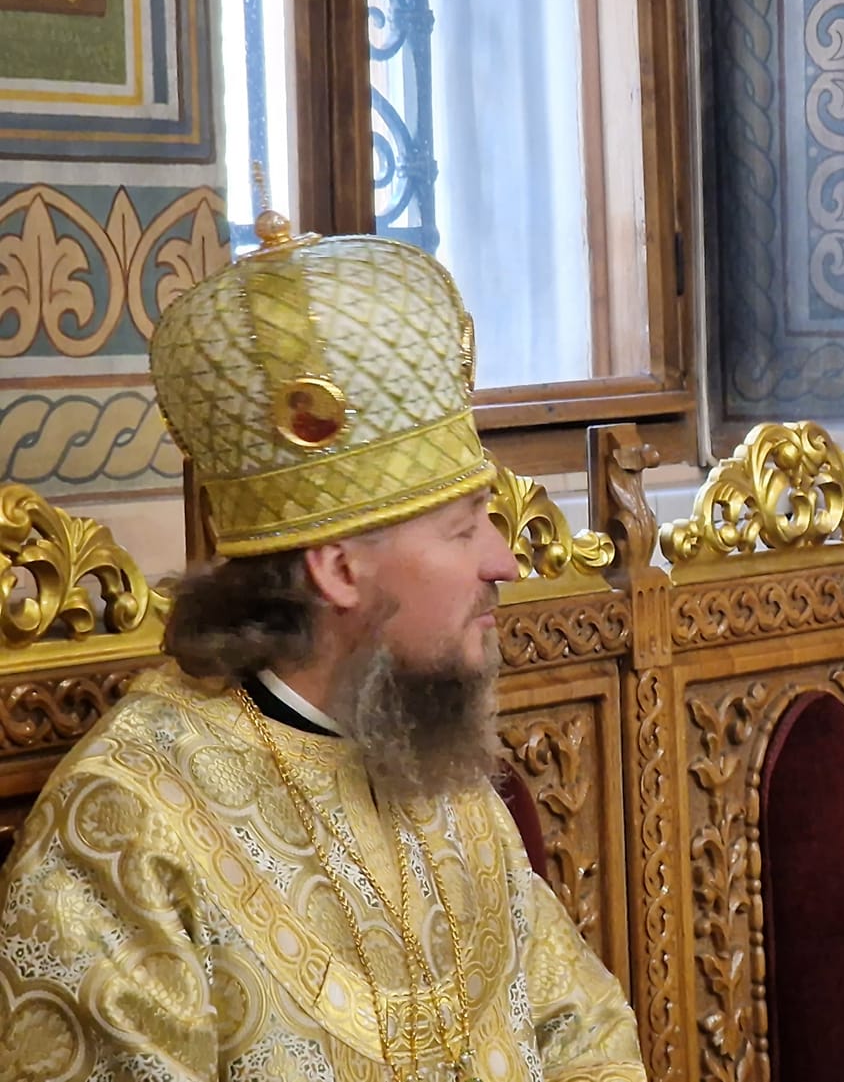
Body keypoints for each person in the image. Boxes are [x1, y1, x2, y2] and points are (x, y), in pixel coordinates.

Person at [0, 210, 646, 1081]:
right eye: (463, 530)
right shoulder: (126, 824)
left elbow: (583, 1029)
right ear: (340, 569)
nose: (504, 560)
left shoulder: (428, 756)